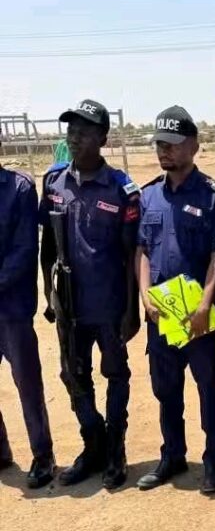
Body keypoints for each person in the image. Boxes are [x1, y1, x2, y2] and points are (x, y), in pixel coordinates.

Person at [40, 99, 140, 490]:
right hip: (70, 306)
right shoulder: (53, 182)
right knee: (72, 375)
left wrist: (131, 310)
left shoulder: (121, 189)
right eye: (71, 131)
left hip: (110, 305)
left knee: (115, 375)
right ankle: (93, 442)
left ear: (103, 139)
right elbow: (48, 246)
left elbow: (132, 255)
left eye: (84, 132)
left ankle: (115, 449)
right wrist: (48, 293)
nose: (74, 138)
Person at [136, 107, 215, 494]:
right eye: (160, 144)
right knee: (166, 390)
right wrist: (145, 296)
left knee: (208, 387)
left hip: (198, 315)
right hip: (162, 314)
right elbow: (142, 250)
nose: (165, 151)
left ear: (193, 145)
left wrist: (206, 304)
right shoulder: (148, 196)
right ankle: (172, 456)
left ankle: (213, 460)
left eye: (173, 144)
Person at [0, 145, 56, 488]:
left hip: (12, 309)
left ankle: (43, 455)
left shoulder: (18, 188)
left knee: (27, 383)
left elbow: (24, 250)